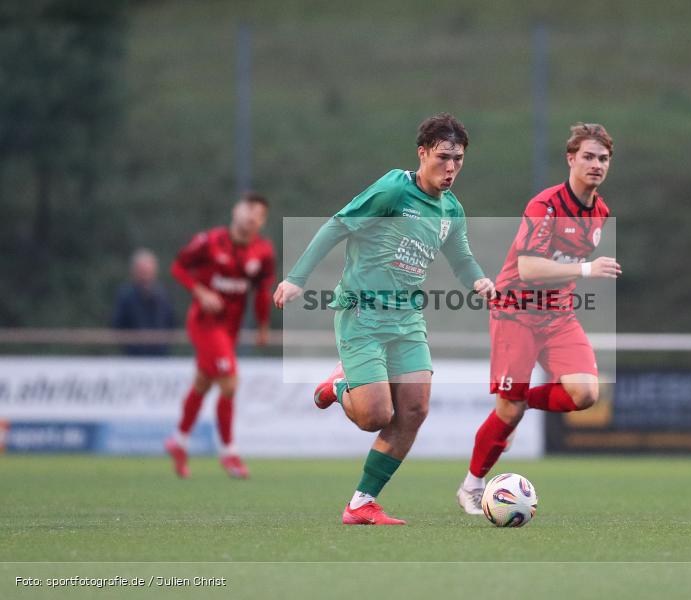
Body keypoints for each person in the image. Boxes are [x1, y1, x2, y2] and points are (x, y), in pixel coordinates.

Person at [274, 113, 495, 525]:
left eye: (458, 160)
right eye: (443, 157)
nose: (450, 168)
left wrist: (479, 280)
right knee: (375, 416)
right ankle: (338, 385)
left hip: (407, 317)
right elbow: (338, 226)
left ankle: (361, 503)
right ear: (423, 153)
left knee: (413, 410)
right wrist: (296, 279)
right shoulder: (395, 188)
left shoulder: (452, 210)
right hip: (362, 312)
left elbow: (461, 259)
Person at [456, 123, 622, 514]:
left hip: (558, 316)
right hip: (515, 312)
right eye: (588, 156)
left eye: (603, 158)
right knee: (508, 412)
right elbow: (529, 268)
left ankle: (517, 399)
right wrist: (586, 269)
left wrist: (577, 274)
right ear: (571, 159)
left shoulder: (600, 211)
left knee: (584, 394)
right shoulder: (545, 206)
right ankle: (471, 485)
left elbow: (562, 266)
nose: (596, 164)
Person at [164, 192, 276, 479]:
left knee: (203, 383)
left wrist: (263, 326)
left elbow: (262, 292)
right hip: (204, 323)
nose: (252, 216)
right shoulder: (209, 242)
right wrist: (200, 292)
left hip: (230, 329)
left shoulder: (262, 252)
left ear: (262, 223)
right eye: (249, 209)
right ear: (235, 210)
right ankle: (229, 454)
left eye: (259, 214)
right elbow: (178, 267)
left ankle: (179, 441)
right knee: (229, 382)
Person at [112, 248, 175, 356]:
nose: (145, 275)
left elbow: (171, 323)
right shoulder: (126, 296)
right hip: (133, 357)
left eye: (148, 271)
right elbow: (118, 325)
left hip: (160, 358)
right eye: (142, 271)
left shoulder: (163, 295)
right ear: (134, 272)